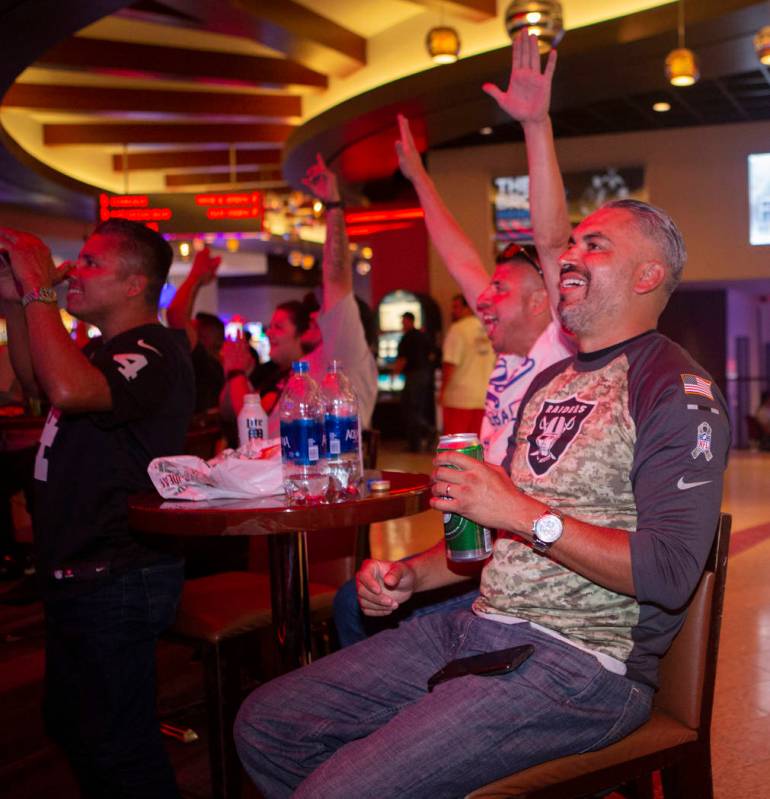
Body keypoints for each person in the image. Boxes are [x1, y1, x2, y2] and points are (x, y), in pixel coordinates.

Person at [234, 33, 730, 799]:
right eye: (569, 247)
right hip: (481, 622)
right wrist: (411, 573)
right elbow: (498, 537)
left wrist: (526, 513)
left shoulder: (673, 389)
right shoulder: (550, 378)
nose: (566, 255)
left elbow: (668, 574)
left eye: (591, 247)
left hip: (580, 666)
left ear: (648, 274)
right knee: (266, 722)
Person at [332, 28, 574, 646]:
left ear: (547, 295)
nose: (480, 299)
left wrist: (535, 126)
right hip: (476, 552)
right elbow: (460, 255)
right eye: (482, 291)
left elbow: (551, 240)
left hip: (522, 570)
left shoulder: (562, 347)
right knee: (353, 601)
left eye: (499, 289)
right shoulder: (510, 353)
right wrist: (417, 179)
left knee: (361, 614)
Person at [0, 219, 194, 798]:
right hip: (83, 567)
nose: (72, 273)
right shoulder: (103, 348)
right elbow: (35, 379)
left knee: (118, 745)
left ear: (135, 285)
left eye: (90, 263)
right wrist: (17, 303)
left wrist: (39, 286)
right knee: (74, 725)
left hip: (117, 570)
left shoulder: (156, 348)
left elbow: (68, 390)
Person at [220, 155, 378, 439]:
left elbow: (337, 278)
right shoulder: (304, 369)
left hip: (314, 477)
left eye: (320, 313)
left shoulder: (344, 353)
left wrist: (333, 206)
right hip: (279, 474)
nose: (315, 316)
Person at [166, 247, 225, 412]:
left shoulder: (204, 364)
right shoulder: (216, 368)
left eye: (193, 327)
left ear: (205, 338)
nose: (188, 329)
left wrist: (195, 278)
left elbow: (176, 315)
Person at [440, 293, 495, 435]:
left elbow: (450, 364)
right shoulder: (489, 329)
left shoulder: (457, 329)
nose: (453, 311)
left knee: (457, 447)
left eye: (456, 307)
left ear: (468, 307)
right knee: (477, 447)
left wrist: (442, 391)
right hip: (484, 397)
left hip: (459, 398)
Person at [393, 310, 435, 451]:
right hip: (425, 376)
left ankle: (425, 434)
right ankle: (417, 442)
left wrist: (394, 374)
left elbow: (402, 360)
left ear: (409, 321)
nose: (402, 324)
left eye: (403, 321)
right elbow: (432, 354)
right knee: (418, 409)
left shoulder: (406, 338)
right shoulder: (423, 335)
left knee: (410, 410)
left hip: (413, 377)